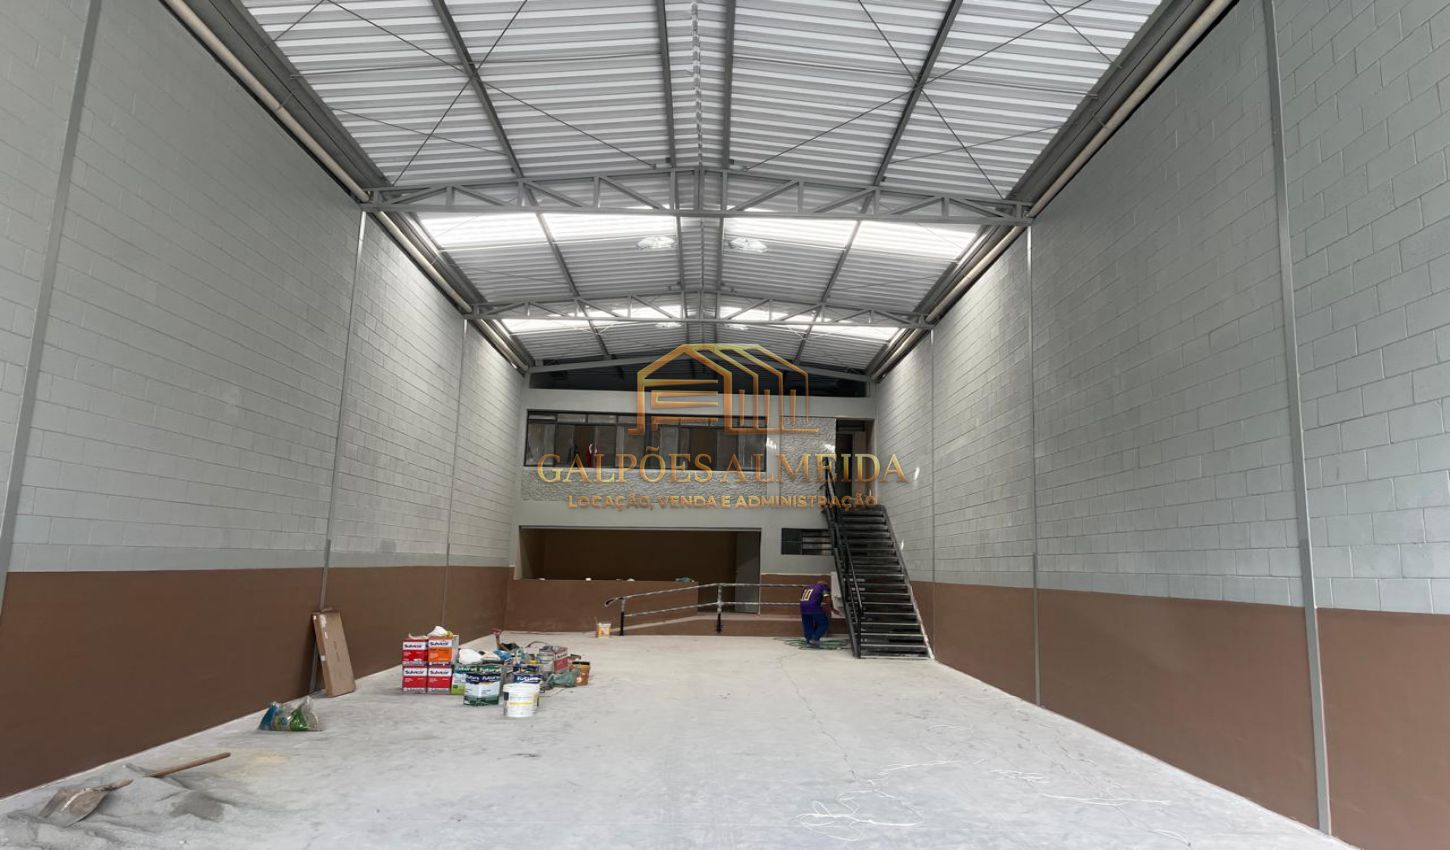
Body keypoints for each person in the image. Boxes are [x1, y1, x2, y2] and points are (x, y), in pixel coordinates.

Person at [799, 577, 831, 648]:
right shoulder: (823, 587)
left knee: (807, 625)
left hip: (803, 606)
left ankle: (809, 641)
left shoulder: (807, 587)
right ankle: (814, 638)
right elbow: (827, 598)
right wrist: (830, 608)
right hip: (814, 607)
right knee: (824, 624)